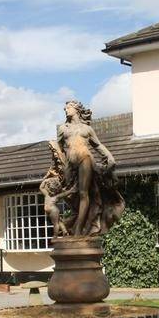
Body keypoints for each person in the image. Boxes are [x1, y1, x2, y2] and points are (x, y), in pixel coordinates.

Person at [56, 101, 117, 236]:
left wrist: (109, 157)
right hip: (70, 164)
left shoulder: (87, 129)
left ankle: (78, 229)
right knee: (71, 195)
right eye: (65, 108)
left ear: (76, 109)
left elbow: (98, 145)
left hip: (85, 158)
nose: (66, 110)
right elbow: (58, 149)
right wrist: (60, 165)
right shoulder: (63, 129)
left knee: (83, 193)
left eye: (68, 108)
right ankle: (75, 223)